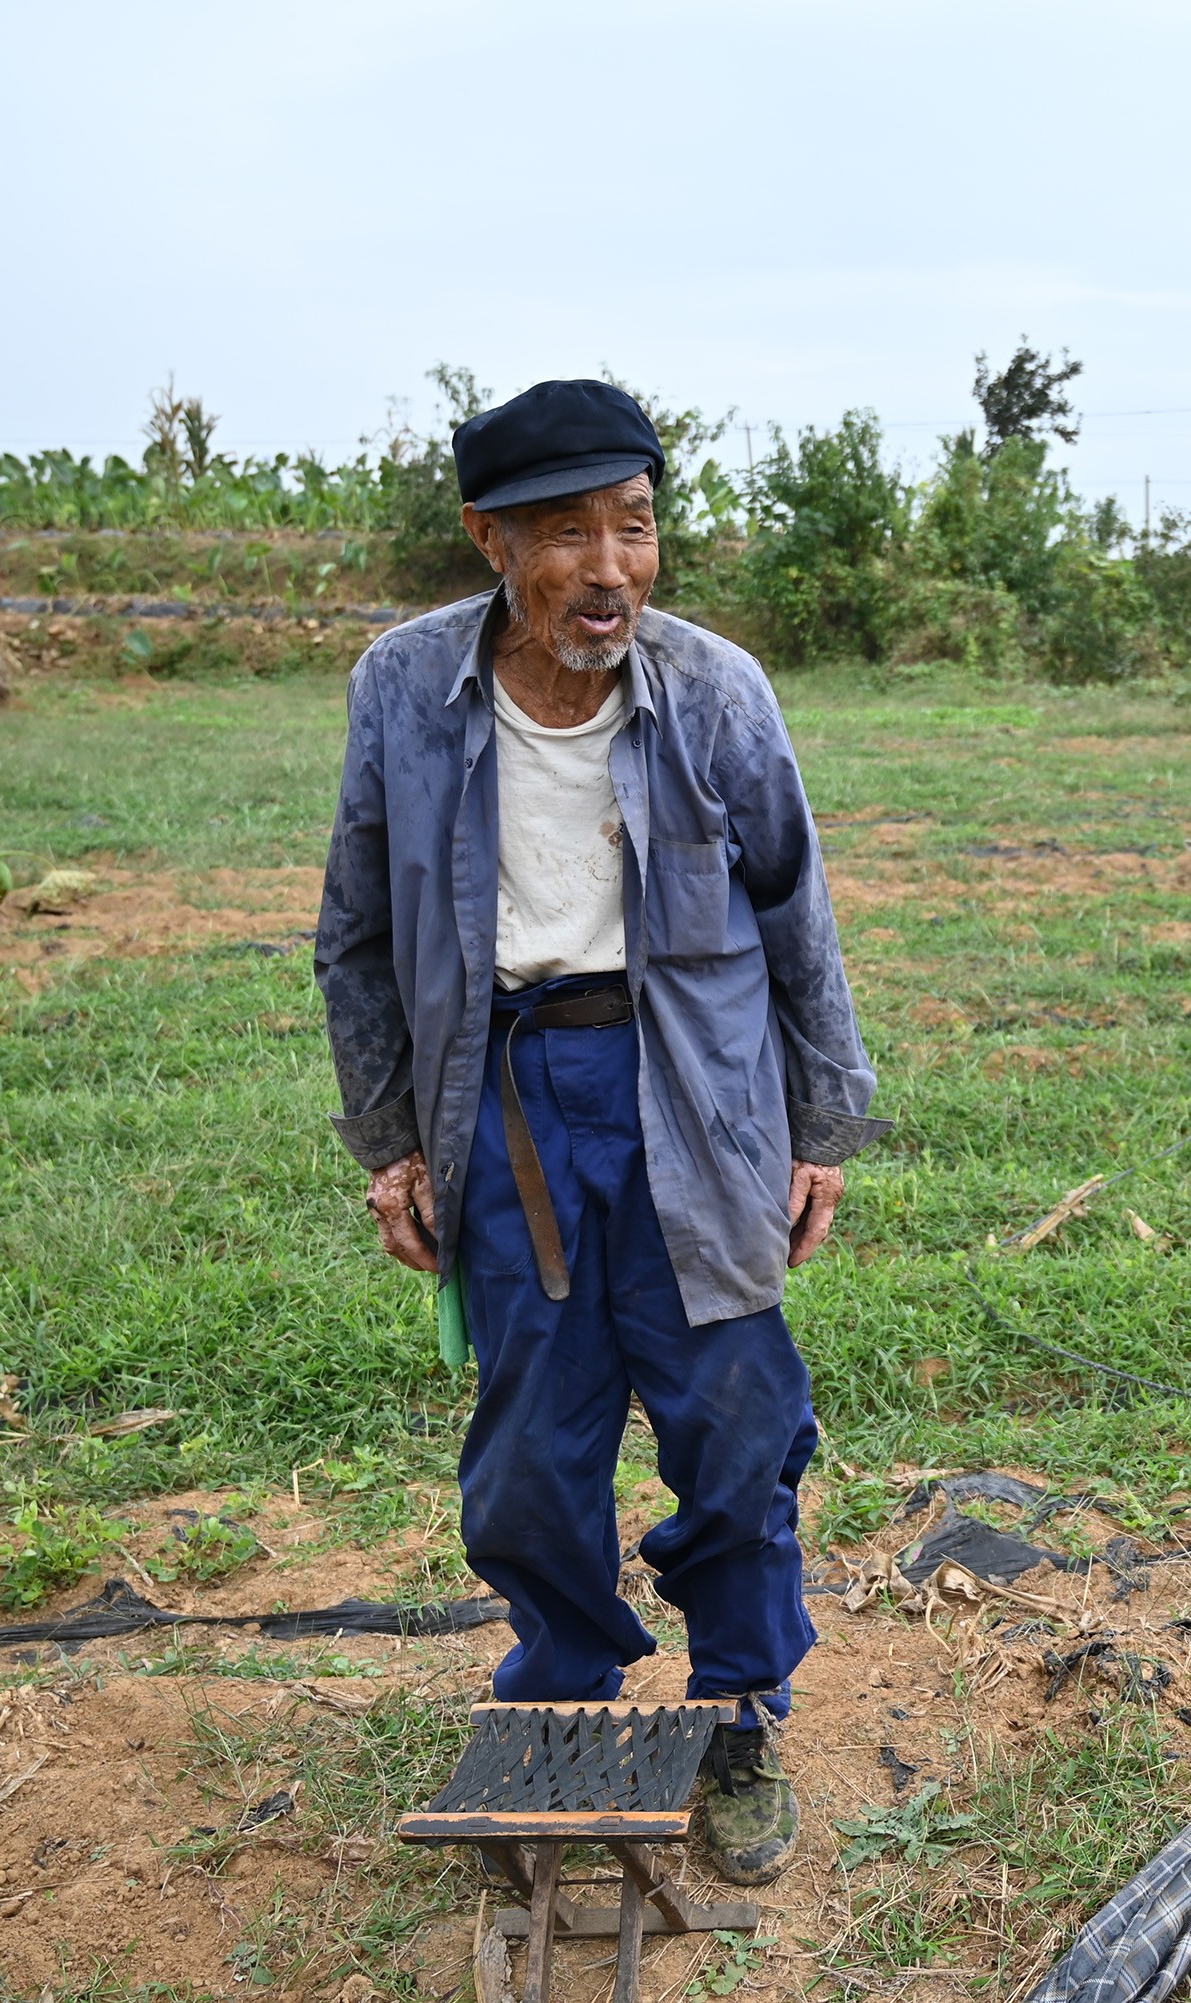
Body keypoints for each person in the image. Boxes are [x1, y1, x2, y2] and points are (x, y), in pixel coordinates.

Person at [315, 378, 888, 1885]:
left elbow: (797, 912)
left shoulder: (716, 690)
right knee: (530, 1444)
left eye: (634, 527)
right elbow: (356, 932)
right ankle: (560, 1700)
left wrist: (819, 1127)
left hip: (701, 1100)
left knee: (737, 1424)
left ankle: (740, 1711)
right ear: (490, 540)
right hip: (508, 1104)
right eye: (568, 534)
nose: (611, 569)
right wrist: (392, 1141)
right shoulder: (404, 687)